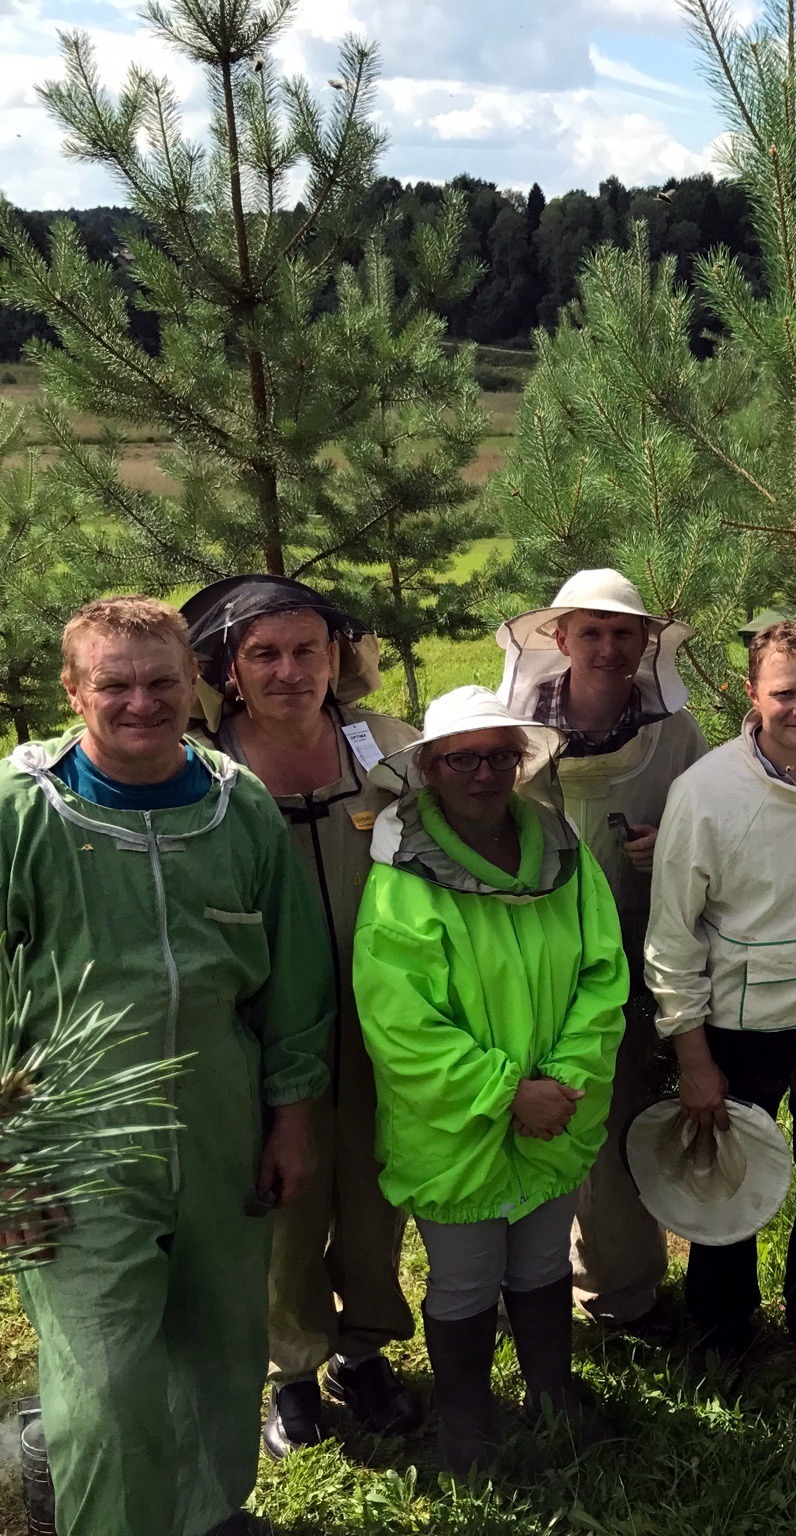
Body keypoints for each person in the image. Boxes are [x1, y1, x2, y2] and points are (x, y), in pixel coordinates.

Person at [1, 597, 332, 1536]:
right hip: (70, 1140)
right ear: (74, 691)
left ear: (195, 686)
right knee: (104, 1382)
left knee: (218, 1350)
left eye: (160, 682)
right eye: (114, 684)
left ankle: (203, 1515)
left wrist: (293, 1114)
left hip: (223, 1123)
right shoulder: (22, 811)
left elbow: (296, 976)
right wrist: (8, 1158)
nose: (140, 702)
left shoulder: (239, 806)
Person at [353, 686, 628, 1474]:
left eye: (500, 756)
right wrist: (510, 1093)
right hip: (455, 1126)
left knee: (542, 1262)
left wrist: (562, 1084)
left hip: (556, 1110)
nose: (483, 773)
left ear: (521, 762)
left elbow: (603, 976)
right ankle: (466, 1420)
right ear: (432, 769)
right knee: (467, 1276)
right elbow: (402, 1023)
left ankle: (552, 1393)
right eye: (462, 758)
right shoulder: (401, 879)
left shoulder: (562, 853)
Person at [179, 575, 424, 1458]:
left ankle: (361, 1349)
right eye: (265, 655)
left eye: (306, 649)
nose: (290, 671)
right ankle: (288, 1367)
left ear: (336, 656)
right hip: (256, 1032)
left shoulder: (387, 750)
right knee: (281, 1200)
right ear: (228, 671)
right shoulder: (194, 766)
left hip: (383, 1024)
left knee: (371, 1188)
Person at [644, 620, 796, 1392]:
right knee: (728, 1179)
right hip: (739, 1030)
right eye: (785, 693)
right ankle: (720, 1326)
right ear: (751, 695)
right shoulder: (704, 793)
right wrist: (692, 1056)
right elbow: (672, 934)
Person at [496, 570, 708, 1346]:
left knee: (613, 1120)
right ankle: (494, 1294)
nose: (609, 648)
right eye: (592, 632)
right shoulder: (508, 731)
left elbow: (709, 835)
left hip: (628, 960)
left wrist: (671, 851)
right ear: (559, 639)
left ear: (646, 643)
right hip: (518, 963)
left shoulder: (676, 735)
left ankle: (621, 1290)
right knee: (510, 1118)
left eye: (624, 634)